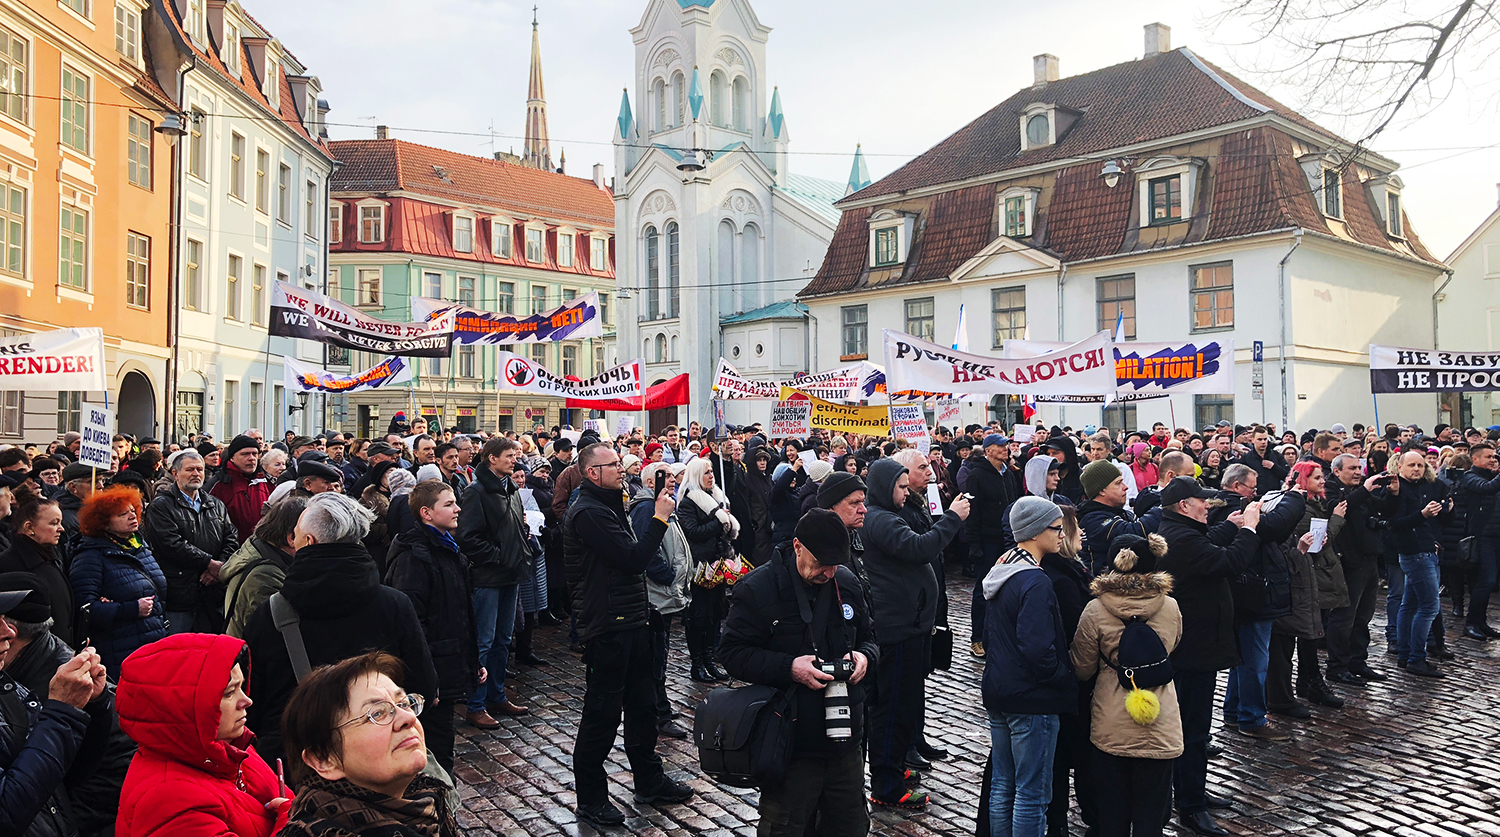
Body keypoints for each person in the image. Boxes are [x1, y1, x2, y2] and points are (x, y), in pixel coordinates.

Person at [242, 492, 438, 766]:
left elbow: (252, 702)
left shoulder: (271, 613)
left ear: (308, 541)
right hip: (379, 753)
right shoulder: (395, 605)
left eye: (296, 534)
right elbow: (423, 687)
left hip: (297, 758)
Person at [718, 509, 878, 837]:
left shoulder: (846, 582)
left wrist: (864, 657)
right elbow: (732, 654)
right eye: (822, 563)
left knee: (850, 827)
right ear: (797, 547)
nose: (829, 573)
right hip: (790, 742)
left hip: (846, 740)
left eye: (837, 564)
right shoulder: (758, 588)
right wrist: (790, 668)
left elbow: (871, 639)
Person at [563, 442, 692, 828]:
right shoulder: (587, 511)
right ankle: (590, 798)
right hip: (607, 626)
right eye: (613, 464)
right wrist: (659, 519)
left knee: (644, 704)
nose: (621, 469)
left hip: (633, 618)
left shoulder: (608, 502)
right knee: (602, 714)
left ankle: (649, 780)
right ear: (592, 473)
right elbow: (634, 559)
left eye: (620, 463)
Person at [1157, 477, 1262, 837]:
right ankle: (1190, 805)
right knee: (1193, 729)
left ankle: (1192, 789)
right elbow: (1228, 562)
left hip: (1196, 645)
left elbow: (1207, 543)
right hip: (1193, 650)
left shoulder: (1179, 529)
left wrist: (1228, 527)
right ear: (1184, 506)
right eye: (1202, 501)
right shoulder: (1183, 538)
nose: (1208, 506)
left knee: (1195, 728)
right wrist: (1248, 529)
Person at [863, 457, 969, 808]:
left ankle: (893, 765)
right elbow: (919, 547)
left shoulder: (890, 515)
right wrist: (953, 518)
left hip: (912, 624)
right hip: (897, 628)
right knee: (892, 707)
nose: (907, 494)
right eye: (901, 487)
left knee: (906, 703)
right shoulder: (879, 520)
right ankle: (886, 783)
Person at [115, 634, 290, 837]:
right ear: (185, 708)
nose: (246, 700)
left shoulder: (229, 748)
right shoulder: (170, 802)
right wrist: (293, 824)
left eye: (241, 687)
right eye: (229, 692)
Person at [1070, 533, 1183, 837]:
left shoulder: (1095, 610)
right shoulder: (1170, 606)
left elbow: (1081, 668)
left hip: (1112, 723)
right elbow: (1173, 646)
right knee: (1151, 818)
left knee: (1112, 814)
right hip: (1161, 722)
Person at [278, 652, 458, 837]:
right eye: (378, 713)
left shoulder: (429, 802)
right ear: (324, 759)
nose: (409, 717)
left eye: (404, 703)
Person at [978, 496, 1074, 837]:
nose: (1062, 534)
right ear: (1035, 533)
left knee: (1004, 785)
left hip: (1000, 689)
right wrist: (1063, 677)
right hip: (1032, 698)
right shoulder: (1035, 580)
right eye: (1056, 528)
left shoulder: (1003, 571)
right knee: (1032, 792)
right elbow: (1037, 648)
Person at [0, 580, 111, 837]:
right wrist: (61, 711)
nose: (9, 632)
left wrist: (92, 705)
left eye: (5, 619)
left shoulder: (8, 687)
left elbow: (61, 774)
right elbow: (7, 813)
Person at [385, 480, 478, 776]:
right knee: (433, 749)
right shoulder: (415, 556)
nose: (457, 509)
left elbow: (461, 614)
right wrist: (427, 679)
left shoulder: (448, 549)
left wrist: (472, 661)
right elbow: (412, 624)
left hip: (448, 662)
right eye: (448, 504)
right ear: (426, 513)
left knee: (443, 744)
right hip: (433, 671)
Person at [456, 438, 532, 726]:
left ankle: (497, 695)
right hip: (489, 576)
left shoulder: (510, 489)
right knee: (484, 642)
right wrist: (499, 556)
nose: (514, 460)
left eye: (515, 455)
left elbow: (512, 527)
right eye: (509, 456)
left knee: (503, 640)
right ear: (491, 459)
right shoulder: (476, 492)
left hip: (511, 574)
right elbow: (468, 538)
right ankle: (476, 703)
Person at [1269, 461, 1346, 717]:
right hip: (1305, 578)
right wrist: (1336, 521)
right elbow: (1315, 545)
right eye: (1316, 477)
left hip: (1316, 577)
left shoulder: (1314, 504)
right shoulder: (1300, 509)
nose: (1322, 481)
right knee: (1305, 636)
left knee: (1311, 635)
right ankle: (1308, 682)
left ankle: (1308, 680)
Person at [1039, 507, 1097, 837]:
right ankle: (1063, 819)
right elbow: (1076, 631)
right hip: (1070, 683)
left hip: (1069, 683)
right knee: (1067, 754)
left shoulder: (1070, 570)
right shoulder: (1059, 578)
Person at [69, 486, 169, 675]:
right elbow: (84, 609)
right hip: (120, 650)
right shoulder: (90, 557)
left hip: (152, 642)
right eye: (123, 514)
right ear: (104, 523)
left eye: (133, 511)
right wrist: (129, 609)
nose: (132, 516)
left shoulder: (139, 546)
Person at [1375, 450, 1452, 677]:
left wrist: (1446, 511)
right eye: (1412, 465)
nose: (1417, 469)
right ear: (1400, 467)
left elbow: (1436, 522)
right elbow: (1396, 523)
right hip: (1415, 553)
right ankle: (1416, 657)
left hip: (1425, 550)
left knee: (1409, 605)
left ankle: (1406, 654)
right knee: (1429, 607)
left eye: (1420, 465)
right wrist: (1423, 514)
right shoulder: (1397, 490)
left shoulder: (1425, 487)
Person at [146, 449, 239, 635]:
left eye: (199, 469)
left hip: (212, 592)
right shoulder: (162, 505)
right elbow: (171, 544)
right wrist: (208, 563)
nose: (196, 474)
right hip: (180, 592)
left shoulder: (215, 504)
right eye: (190, 470)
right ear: (175, 473)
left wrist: (218, 568)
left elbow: (231, 537)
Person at [631, 462, 692, 739]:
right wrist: (667, 577)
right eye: (664, 476)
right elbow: (647, 549)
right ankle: (658, 714)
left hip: (667, 594)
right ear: (649, 481)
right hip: (657, 594)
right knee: (655, 657)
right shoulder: (647, 509)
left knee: (661, 655)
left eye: (671, 475)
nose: (670, 479)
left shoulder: (667, 506)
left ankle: (660, 706)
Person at [676, 455, 740, 682]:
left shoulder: (716, 498)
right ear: (696, 476)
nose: (711, 476)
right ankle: (697, 664)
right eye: (706, 472)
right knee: (698, 617)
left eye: (712, 471)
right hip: (699, 568)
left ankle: (710, 661)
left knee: (714, 615)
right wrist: (719, 522)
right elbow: (692, 531)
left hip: (718, 564)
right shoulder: (688, 502)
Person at [222, 496, 308, 639]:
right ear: (292, 538)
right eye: (310, 536)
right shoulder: (264, 576)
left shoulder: (262, 548)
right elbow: (271, 636)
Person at [967, 434, 1021, 656]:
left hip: (1007, 538)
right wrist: (974, 544)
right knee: (983, 588)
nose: (1005, 449)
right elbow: (973, 512)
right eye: (1000, 446)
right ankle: (977, 637)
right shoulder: (977, 475)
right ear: (988, 450)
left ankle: (1000, 634)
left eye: (1006, 445)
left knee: (1008, 587)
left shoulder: (1009, 473)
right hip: (988, 539)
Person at [0, 498, 76, 646]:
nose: (61, 528)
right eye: (54, 523)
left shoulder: (51, 556)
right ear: (29, 528)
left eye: (60, 522)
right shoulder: (7, 564)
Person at [1078, 459, 1149, 575]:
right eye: (1118, 483)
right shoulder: (1092, 519)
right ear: (1101, 490)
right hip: (1105, 589)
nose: (1125, 487)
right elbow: (1134, 532)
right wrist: (1164, 508)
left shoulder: (1121, 513)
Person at [210, 435, 275, 547]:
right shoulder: (218, 485)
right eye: (245, 454)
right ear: (232, 457)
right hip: (233, 551)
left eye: (254, 454)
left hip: (265, 548)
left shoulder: (266, 480)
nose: (251, 458)